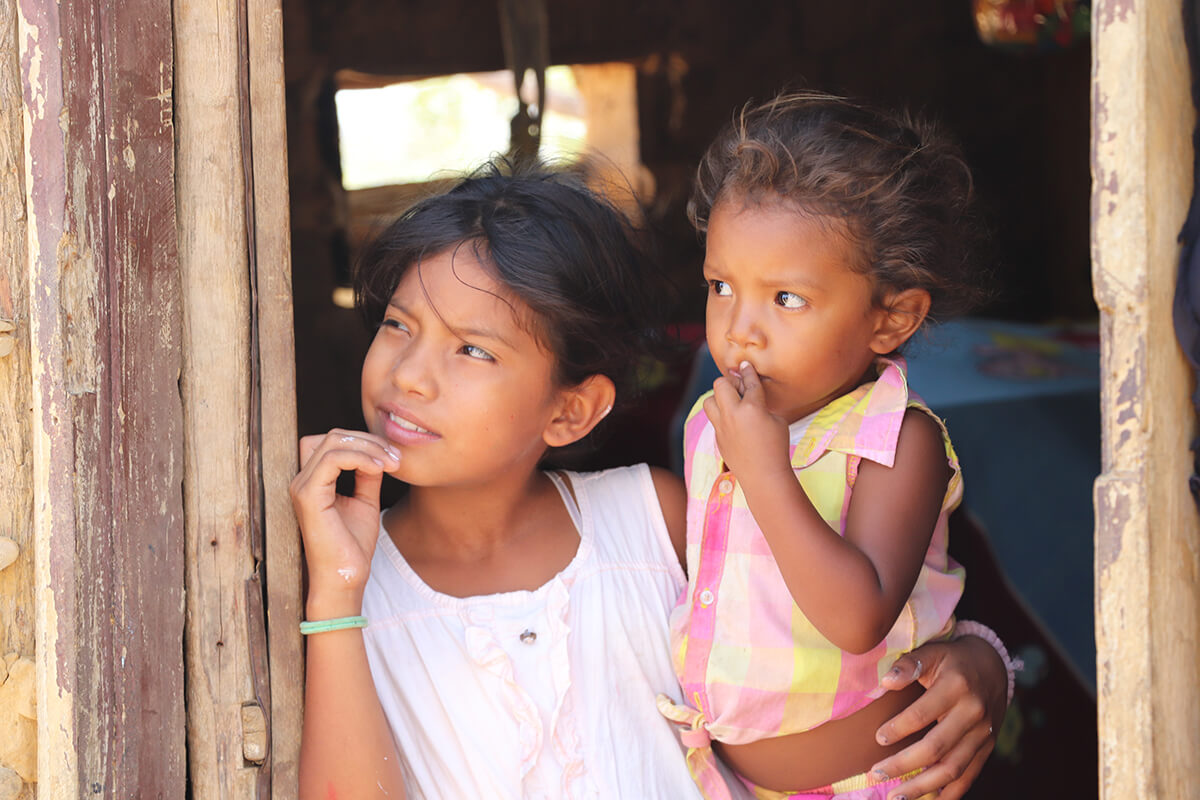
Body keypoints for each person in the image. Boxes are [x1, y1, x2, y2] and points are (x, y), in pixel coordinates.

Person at [290, 161, 1008, 800]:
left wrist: (980, 661)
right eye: (396, 324)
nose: (409, 377)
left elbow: (833, 635)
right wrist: (336, 592)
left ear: (573, 411)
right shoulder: (343, 583)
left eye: (472, 350)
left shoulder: (656, 520)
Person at [657, 91, 1000, 800]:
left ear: (891, 317)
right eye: (722, 286)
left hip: (871, 785)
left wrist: (764, 471)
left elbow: (858, 617)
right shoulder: (709, 422)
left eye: (785, 299)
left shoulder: (897, 442)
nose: (740, 329)